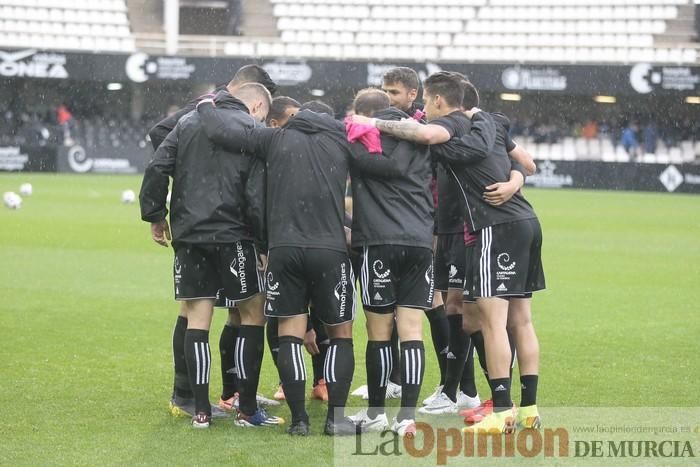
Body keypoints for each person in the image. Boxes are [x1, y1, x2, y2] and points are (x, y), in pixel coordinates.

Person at [196, 99, 402, 436]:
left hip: (284, 250)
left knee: (288, 334)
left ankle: (299, 421)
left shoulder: (274, 138)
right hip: (329, 249)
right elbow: (387, 166)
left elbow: (222, 131)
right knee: (340, 333)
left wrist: (205, 106)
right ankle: (335, 420)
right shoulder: (341, 137)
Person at [139, 83, 282, 429]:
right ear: (258, 105)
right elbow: (257, 192)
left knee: (197, 319)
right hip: (235, 234)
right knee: (252, 315)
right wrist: (262, 242)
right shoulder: (253, 129)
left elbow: (157, 166)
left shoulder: (188, 122)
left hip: (190, 235)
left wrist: (156, 214)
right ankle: (247, 409)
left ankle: (200, 410)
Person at [344, 88, 434, 437]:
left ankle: (376, 413)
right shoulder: (419, 136)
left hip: (379, 243)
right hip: (419, 243)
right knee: (412, 330)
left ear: (361, 114)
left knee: (379, 333)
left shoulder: (357, 140)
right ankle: (407, 418)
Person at [382, 66, 450, 400]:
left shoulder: (427, 128)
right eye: (385, 92)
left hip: (430, 223)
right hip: (404, 224)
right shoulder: (395, 126)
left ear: (412, 95)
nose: (388, 98)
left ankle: (451, 384)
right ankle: (396, 379)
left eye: (394, 93)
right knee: (397, 302)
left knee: (433, 300)